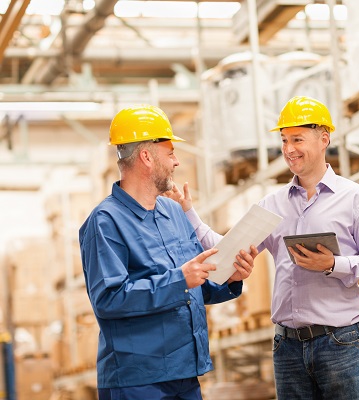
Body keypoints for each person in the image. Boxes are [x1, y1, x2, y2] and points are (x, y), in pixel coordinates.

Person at [168, 96, 359, 399]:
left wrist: (332, 264)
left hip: (339, 342)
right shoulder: (272, 205)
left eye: (297, 139)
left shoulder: (355, 199)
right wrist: (188, 213)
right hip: (286, 347)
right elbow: (226, 251)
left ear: (324, 138)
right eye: (284, 140)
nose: (288, 149)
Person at [78, 104, 258, 400]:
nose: (176, 162)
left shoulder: (174, 213)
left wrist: (229, 277)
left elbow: (193, 284)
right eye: (170, 152)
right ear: (147, 157)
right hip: (137, 380)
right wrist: (179, 280)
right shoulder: (105, 222)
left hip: (184, 373)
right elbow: (109, 299)